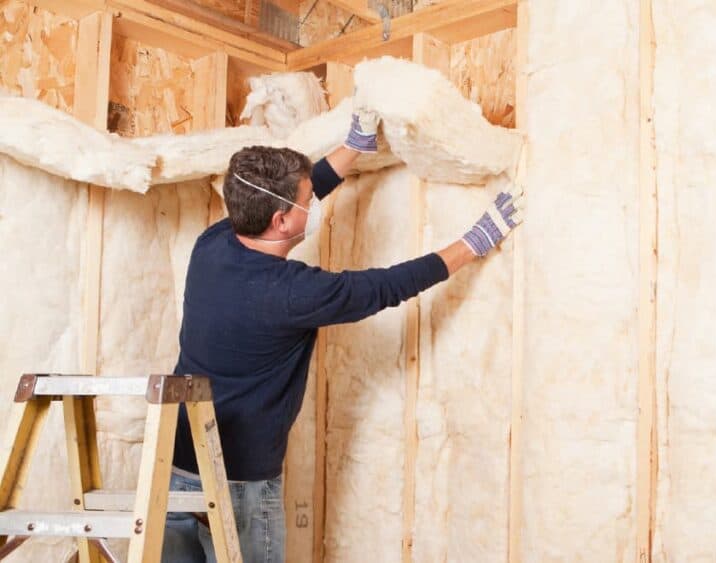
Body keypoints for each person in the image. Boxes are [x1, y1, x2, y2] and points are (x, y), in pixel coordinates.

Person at [161, 107, 522, 562]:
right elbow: (387, 286)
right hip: (238, 488)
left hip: (173, 469)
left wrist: (353, 148)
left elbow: (283, 202)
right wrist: (474, 241)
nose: (311, 203)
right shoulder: (293, 294)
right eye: (305, 200)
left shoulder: (213, 242)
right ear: (281, 222)